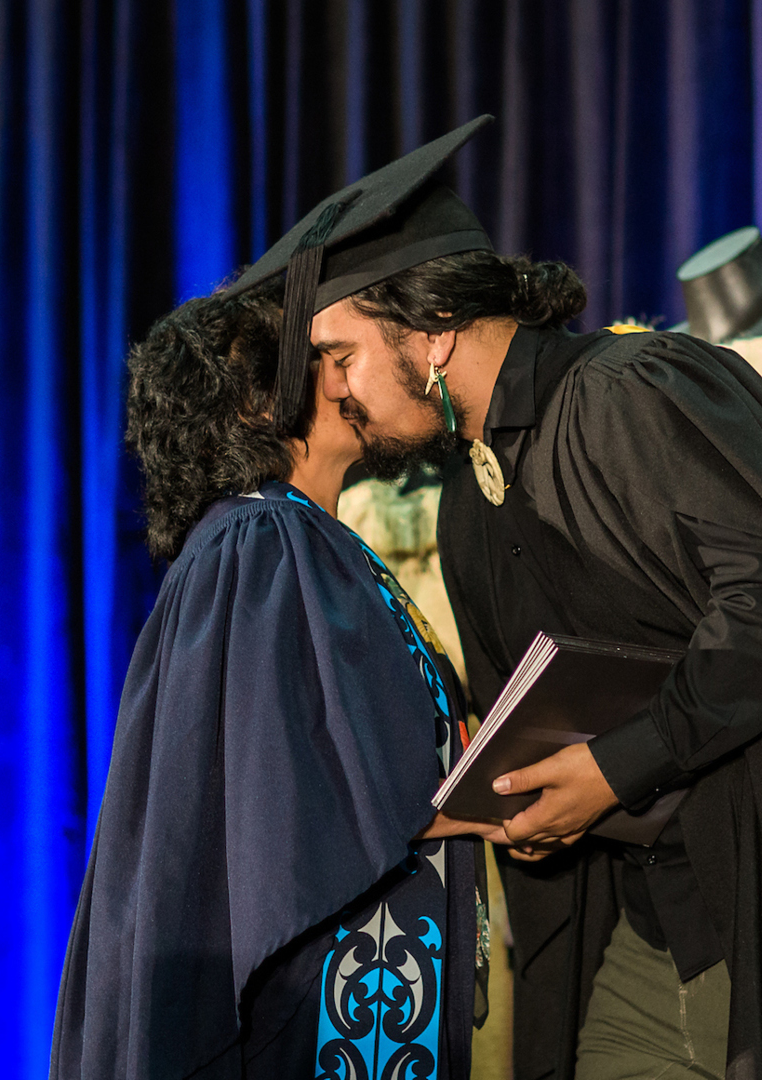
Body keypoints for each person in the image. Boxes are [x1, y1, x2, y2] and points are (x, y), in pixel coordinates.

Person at [228, 116, 762, 1080]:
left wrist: (616, 768)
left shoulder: (631, 391)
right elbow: (536, 721)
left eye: (341, 356)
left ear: (434, 332)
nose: (338, 394)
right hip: (645, 944)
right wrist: (517, 802)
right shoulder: (468, 501)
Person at [48, 282, 498, 1080]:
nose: (341, 380)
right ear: (259, 408)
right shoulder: (260, 543)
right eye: (320, 362)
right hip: (313, 1016)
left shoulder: (304, 541)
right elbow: (280, 801)